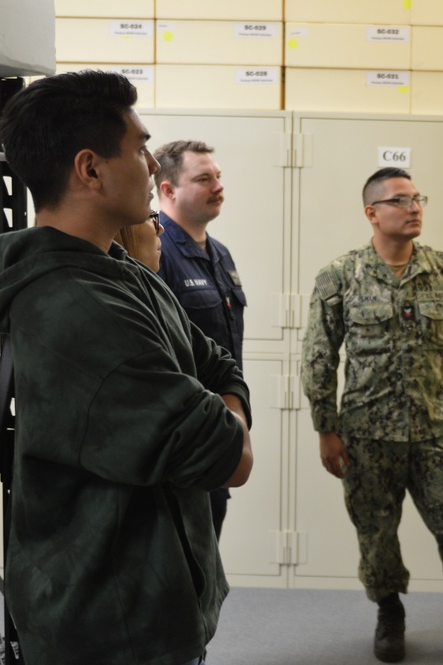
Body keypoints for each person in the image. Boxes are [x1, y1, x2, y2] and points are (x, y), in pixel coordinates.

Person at [0, 70, 253, 665]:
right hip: (110, 627)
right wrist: (225, 413)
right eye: (139, 148)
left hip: (155, 605)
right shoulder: (79, 307)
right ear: (90, 169)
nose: (153, 167)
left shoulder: (124, 274)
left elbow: (219, 363)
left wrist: (219, 402)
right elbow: (229, 459)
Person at [301, 167, 443, 665]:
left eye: (418, 198)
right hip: (366, 433)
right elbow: (318, 356)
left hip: (436, 429)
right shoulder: (340, 275)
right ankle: (389, 614)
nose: (414, 207)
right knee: (375, 530)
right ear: (372, 213)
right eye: (400, 200)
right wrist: (325, 430)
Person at [154, 140, 245, 540]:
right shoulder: (156, 251)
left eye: (218, 177)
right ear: (168, 190)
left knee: (207, 562)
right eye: (203, 179)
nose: (218, 187)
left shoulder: (220, 254)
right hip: (183, 439)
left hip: (219, 429)